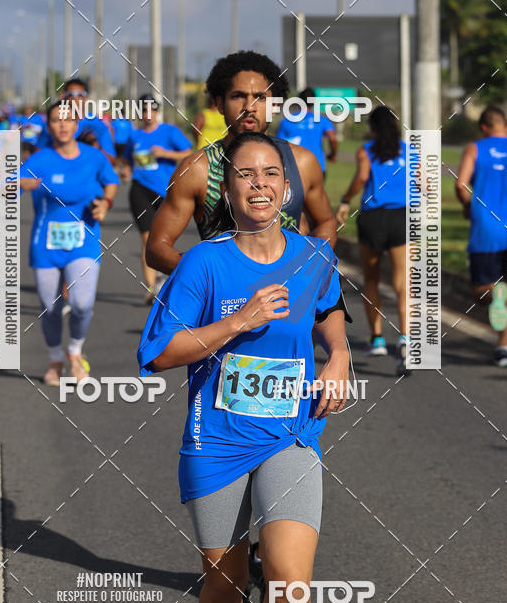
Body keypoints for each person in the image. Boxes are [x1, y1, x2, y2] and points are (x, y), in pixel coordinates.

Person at [138, 132, 350, 603]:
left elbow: (328, 308)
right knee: (224, 581)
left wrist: (340, 357)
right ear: (227, 192)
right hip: (217, 441)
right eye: (244, 175)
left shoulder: (314, 256)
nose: (258, 183)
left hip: (291, 433)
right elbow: (158, 352)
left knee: (290, 581)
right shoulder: (205, 263)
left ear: (287, 188)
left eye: (269, 174)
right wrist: (237, 322)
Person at [146, 51, 337, 275]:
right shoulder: (197, 169)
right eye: (238, 96)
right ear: (219, 103)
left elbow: (325, 222)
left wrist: (308, 270)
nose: (250, 106)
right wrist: (213, 277)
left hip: (289, 300)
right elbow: (157, 247)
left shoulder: (301, 161)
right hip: (226, 307)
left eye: (260, 97)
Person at [19, 98, 119, 385]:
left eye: (67, 119)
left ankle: (75, 351)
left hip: (83, 241)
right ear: (48, 126)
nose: (62, 125)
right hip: (45, 244)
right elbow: (6, 186)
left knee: (81, 303)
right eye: (55, 120)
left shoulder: (93, 157)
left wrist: (106, 203)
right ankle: (55, 359)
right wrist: (17, 184)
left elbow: (110, 180)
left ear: (76, 124)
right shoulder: (40, 159)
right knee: (50, 307)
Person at [336, 105, 410, 374]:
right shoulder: (409, 150)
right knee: (402, 283)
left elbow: (362, 178)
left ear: (373, 128)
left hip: (372, 219)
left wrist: (345, 199)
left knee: (371, 279)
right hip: (401, 218)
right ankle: (405, 338)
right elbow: (424, 182)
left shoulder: (365, 150)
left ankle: (377, 338)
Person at [456, 105, 507, 366]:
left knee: (481, 291)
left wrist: (467, 205)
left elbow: (461, 183)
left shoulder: (475, 149)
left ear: (483, 127)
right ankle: (503, 348)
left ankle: (493, 294)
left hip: (486, 228)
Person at [123, 94, 192, 303]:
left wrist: (165, 154)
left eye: (151, 109)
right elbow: (126, 159)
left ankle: (168, 278)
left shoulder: (170, 132)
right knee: (147, 239)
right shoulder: (134, 136)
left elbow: (189, 153)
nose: (147, 114)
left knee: (165, 240)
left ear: (157, 111)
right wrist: (126, 170)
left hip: (167, 192)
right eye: (143, 110)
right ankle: (151, 288)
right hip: (140, 190)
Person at [276, 86, 338, 178]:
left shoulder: (287, 120)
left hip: (294, 168)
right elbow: (332, 138)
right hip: (317, 167)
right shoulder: (322, 120)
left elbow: (278, 145)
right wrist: (332, 155)